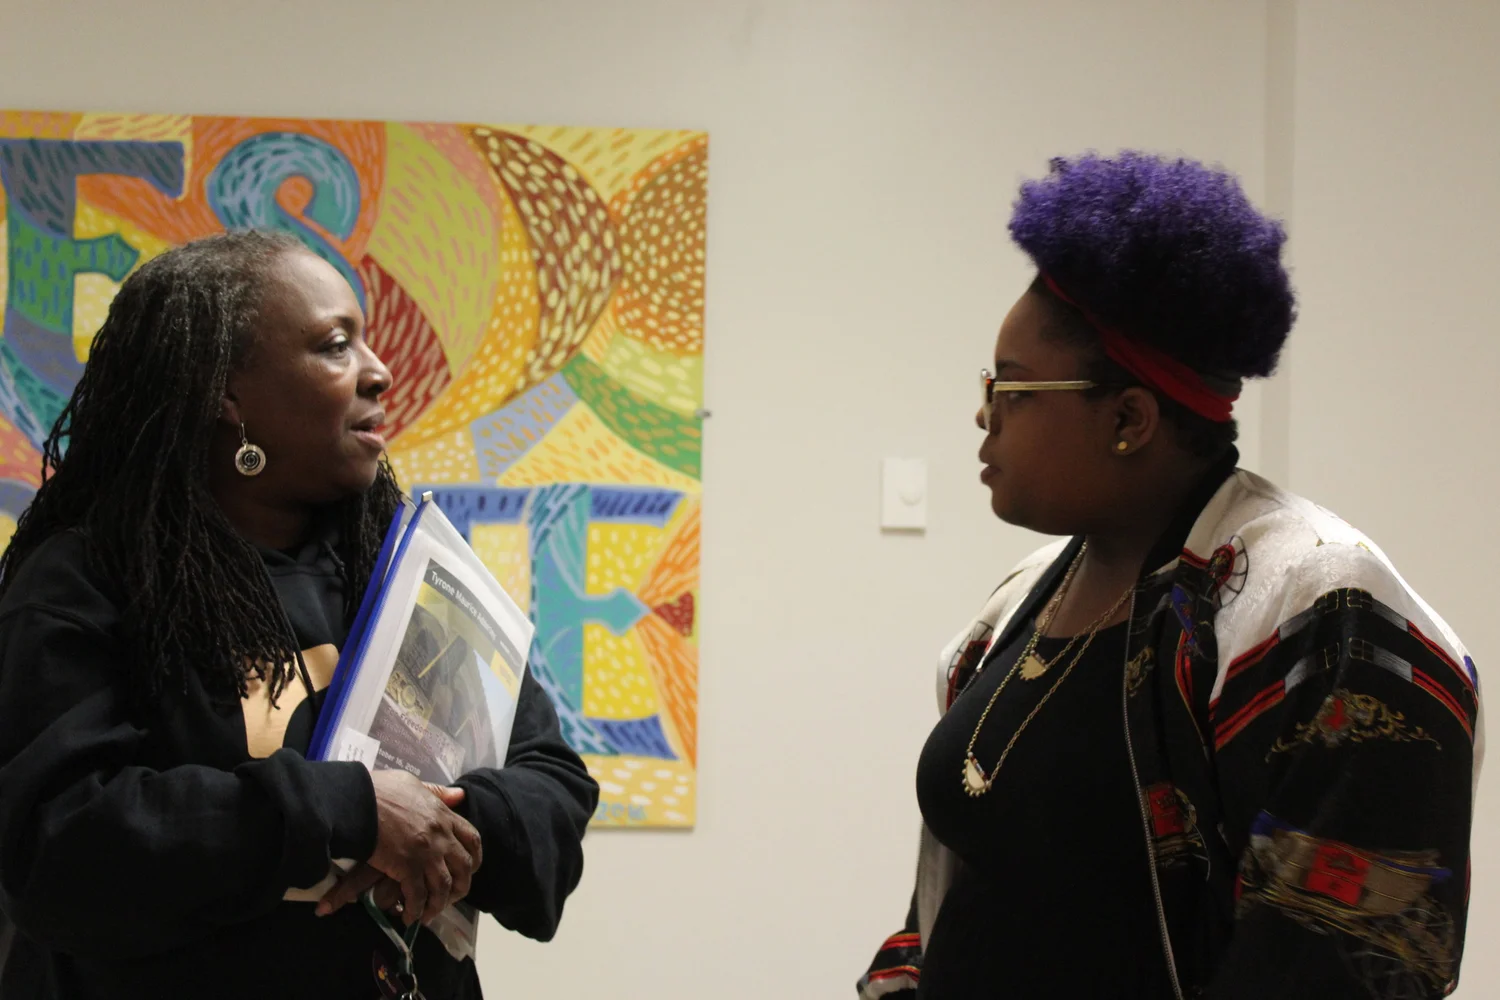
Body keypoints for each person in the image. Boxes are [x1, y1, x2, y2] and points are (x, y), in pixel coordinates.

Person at [857, 152, 1479, 1000]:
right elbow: (952, 911)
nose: (983, 412)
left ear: (1129, 417)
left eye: (1013, 387)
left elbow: (1345, 959)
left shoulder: (1320, 609)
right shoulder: (1012, 613)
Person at [0, 231, 599, 999]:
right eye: (335, 345)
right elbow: (59, 842)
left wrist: (446, 822)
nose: (379, 371)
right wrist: (352, 812)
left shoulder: (402, 572)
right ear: (226, 393)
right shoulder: (91, 578)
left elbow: (552, 785)